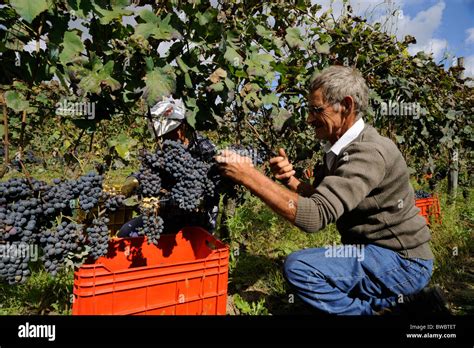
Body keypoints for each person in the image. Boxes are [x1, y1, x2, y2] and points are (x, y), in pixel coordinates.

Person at [215, 65, 450, 315]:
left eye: (316, 110)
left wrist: (249, 176)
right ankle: (409, 306)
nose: (309, 119)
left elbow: (315, 217)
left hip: (403, 262)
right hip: (376, 254)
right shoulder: (342, 148)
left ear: (346, 106)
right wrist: (291, 182)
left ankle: (380, 312)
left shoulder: (368, 152)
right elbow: (325, 199)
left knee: (300, 268)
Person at [117, 97, 218, 237]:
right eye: (164, 134)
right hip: (167, 216)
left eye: (173, 130)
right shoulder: (165, 147)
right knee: (126, 232)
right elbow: (152, 169)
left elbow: (209, 186)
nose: (169, 136)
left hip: (197, 219)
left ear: (184, 125)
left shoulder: (203, 149)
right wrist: (134, 179)